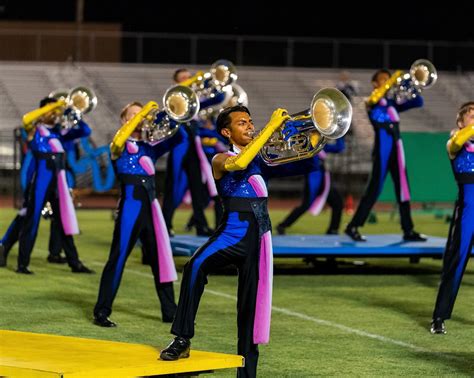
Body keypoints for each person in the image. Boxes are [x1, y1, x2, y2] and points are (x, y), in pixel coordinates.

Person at [160, 105, 323, 377]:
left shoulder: (263, 161)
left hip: (259, 240)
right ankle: (182, 338)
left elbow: (310, 162)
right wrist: (271, 126)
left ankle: (247, 374)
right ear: (226, 131)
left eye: (251, 121)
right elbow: (239, 163)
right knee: (194, 267)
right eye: (242, 123)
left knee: (249, 309)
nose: (250, 126)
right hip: (231, 234)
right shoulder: (219, 158)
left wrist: (317, 131)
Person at [93, 101, 179, 327]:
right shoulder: (118, 145)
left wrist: (169, 116)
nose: (139, 119)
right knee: (118, 258)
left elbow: (178, 137)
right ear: (123, 120)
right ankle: (101, 311)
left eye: (141, 116)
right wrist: (141, 113)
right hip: (130, 207)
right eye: (133, 115)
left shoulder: (149, 147)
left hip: (151, 208)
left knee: (160, 260)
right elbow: (119, 141)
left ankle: (171, 312)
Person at [3, 97, 93, 274]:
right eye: (50, 110)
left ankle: (75, 263)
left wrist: (71, 112)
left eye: (55, 110)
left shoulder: (60, 132)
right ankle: (23, 264)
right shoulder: (34, 130)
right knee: (31, 222)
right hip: (39, 183)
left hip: (58, 184)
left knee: (63, 223)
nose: (54, 113)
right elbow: (27, 119)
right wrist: (51, 107)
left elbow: (86, 130)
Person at [344, 69, 427, 242]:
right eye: (383, 80)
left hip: (397, 149)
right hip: (383, 150)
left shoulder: (391, 102)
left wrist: (411, 85)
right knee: (374, 190)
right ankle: (353, 226)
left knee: (404, 190)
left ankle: (408, 229)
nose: (387, 82)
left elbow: (419, 102)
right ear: (375, 83)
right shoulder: (371, 101)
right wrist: (392, 81)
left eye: (388, 79)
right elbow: (375, 101)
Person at [430, 102, 474, 334]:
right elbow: (458, 141)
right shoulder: (454, 142)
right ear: (460, 122)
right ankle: (439, 316)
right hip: (469, 211)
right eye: (472, 116)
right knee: (455, 265)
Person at [162, 68, 214, 237]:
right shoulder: (172, 98)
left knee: (197, 188)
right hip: (179, 146)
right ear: (176, 83)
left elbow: (219, 98)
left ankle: (200, 225)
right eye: (183, 79)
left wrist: (206, 82)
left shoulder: (196, 101)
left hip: (193, 147)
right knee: (172, 187)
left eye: (189, 78)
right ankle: (165, 224)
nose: (188, 80)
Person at [276, 137, 345, 235]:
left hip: (324, 179)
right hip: (313, 179)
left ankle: (333, 230)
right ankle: (282, 225)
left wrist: (340, 135)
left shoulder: (322, 146)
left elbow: (340, 147)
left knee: (337, 203)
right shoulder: (307, 144)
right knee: (305, 205)